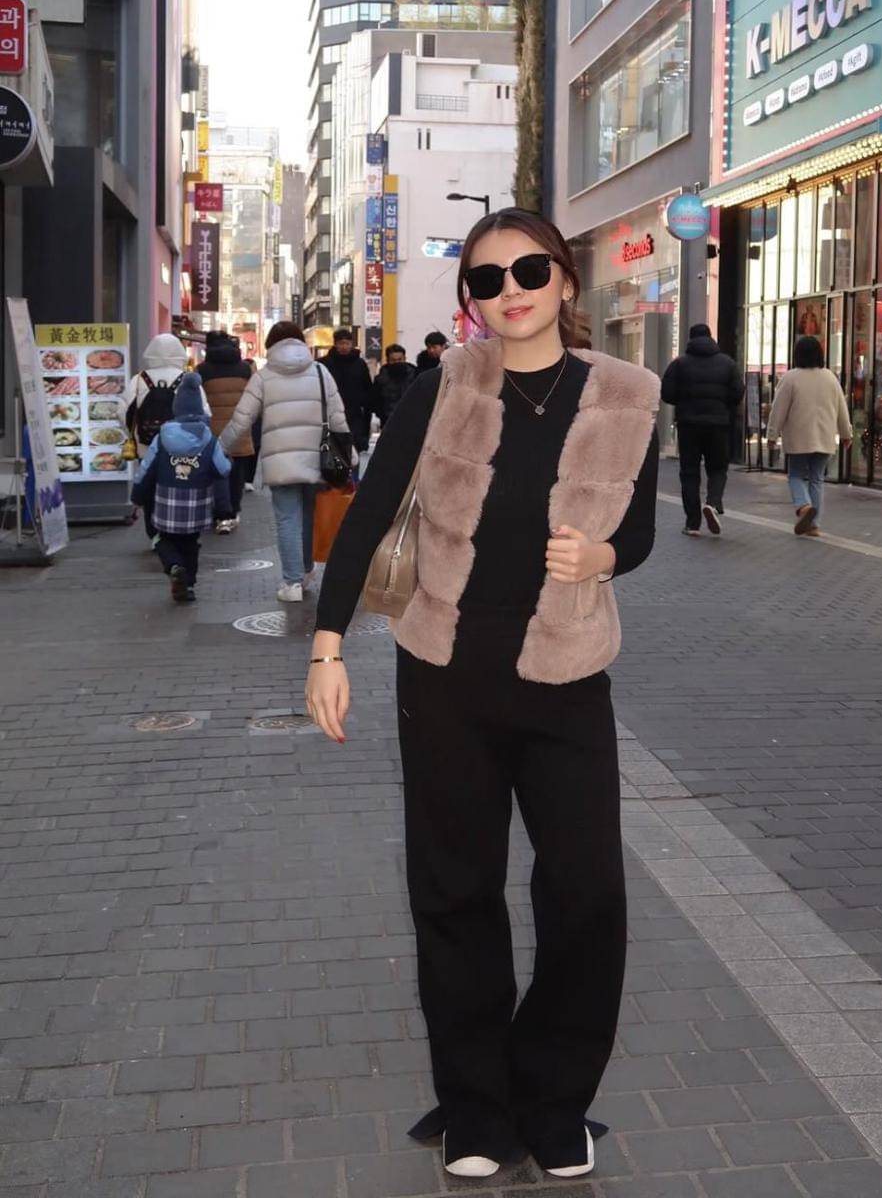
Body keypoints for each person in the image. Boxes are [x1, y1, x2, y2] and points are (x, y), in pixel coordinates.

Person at [305, 208, 660, 1181]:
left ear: (565, 279)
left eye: (529, 271)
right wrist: (327, 647)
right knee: (455, 893)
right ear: (469, 297)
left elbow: (637, 533)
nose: (511, 292)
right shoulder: (446, 385)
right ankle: (476, 1107)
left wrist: (602, 557)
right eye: (487, 278)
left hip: (566, 679)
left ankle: (553, 1100)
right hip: (445, 678)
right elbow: (371, 511)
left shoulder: (627, 395)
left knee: (586, 894)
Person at [219, 321, 354, 602]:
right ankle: (305, 571)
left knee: (287, 520)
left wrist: (219, 448)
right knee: (308, 517)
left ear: (270, 345)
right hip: (317, 459)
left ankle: (292, 583)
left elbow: (242, 419)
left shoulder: (263, 377)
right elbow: (338, 416)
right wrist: (349, 454)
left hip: (280, 463)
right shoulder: (321, 372)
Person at [131, 373, 231, 603]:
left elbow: (147, 469)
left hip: (166, 502)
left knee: (163, 539)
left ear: (176, 408)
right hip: (197, 503)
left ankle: (174, 566)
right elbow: (222, 469)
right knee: (191, 544)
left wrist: (137, 495)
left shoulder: (163, 437)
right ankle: (189, 585)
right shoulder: (209, 439)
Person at [766, 335, 853, 536]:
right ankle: (814, 525)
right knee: (817, 479)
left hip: (799, 439)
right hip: (824, 438)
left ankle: (803, 506)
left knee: (795, 475)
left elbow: (778, 410)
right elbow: (842, 408)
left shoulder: (790, 378)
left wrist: (772, 435)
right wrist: (846, 434)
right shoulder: (830, 377)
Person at [661, 323, 743, 536]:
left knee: (689, 472)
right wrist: (723, 405)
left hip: (688, 425)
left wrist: (683, 401)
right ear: (710, 337)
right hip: (718, 425)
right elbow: (737, 392)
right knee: (718, 468)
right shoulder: (727, 363)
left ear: (690, 339)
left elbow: (667, 393)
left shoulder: (679, 364)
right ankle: (713, 503)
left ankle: (693, 523)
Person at [124, 333, 194, 542]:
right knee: (179, 486)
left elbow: (124, 411)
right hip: (180, 447)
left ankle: (154, 533)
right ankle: (176, 529)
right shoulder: (187, 379)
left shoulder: (139, 379)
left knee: (150, 488)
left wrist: (134, 434)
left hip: (146, 447)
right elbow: (203, 412)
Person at [198, 330, 255, 533]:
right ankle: (234, 511)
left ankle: (220, 514)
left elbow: (199, 403)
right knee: (237, 474)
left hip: (212, 431)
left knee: (215, 473)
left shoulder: (202, 370)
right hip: (239, 428)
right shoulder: (245, 369)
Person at [323, 328, 374, 459]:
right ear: (335, 344)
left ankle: (354, 473)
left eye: (347, 343)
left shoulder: (359, 364)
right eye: (341, 343)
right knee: (335, 450)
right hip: (331, 412)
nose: (344, 346)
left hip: (355, 413)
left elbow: (367, 388)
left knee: (354, 449)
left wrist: (366, 408)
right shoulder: (324, 364)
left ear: (352, 344)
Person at [372, 343, 417, 427]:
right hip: (388, 421)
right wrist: (382, 415)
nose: (397, 362)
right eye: (393, 360)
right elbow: (376, 401)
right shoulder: (380, 379)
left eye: (400, 359)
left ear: (405, 359)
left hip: (411, 420)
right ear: (388, 360)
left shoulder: (415, 376)